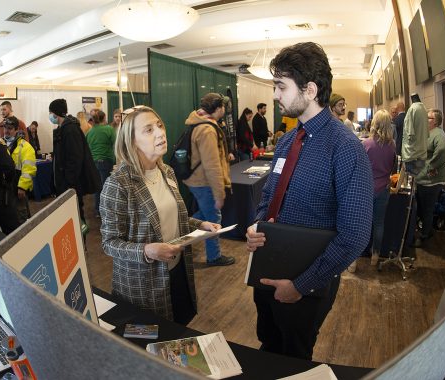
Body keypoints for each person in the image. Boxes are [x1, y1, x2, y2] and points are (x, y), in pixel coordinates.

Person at [245, 42, 373, 360]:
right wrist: (256, 225)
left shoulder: (345, 148)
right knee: (269, 343)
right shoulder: (288, 139)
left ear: (310, 89)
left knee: (294, 354)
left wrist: (301, 285)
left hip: (306, 282)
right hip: (267, 268)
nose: (275, 95)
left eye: (281, 86)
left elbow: (355, 235)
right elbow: (270, 195)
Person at [99, 105, 220, 323]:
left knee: (179, 330)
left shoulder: (167, 171)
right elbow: (109, 243)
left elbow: (171, 216)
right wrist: (147, 250)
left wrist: (199, 225)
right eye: (148, 130)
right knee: (152, 342)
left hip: (177, 271)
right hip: (143, 283)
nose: (160, 132)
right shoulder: (118, 183)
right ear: (131, 141)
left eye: (159, 125)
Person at [183, 93, 235, 266]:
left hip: (197, 181)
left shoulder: (200, 122)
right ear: (219, 108)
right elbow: (211, 166)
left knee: (202, 217)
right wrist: (219, 195)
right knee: (213, 220)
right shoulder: (207, 129)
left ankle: (178, 233)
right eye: (223, 108)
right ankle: (214, 257)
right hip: (204, 183)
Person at [49, 99, 101, 224]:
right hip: (65, 185)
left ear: (55, 113)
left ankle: (80, 242)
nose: (50, 116)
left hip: (70, 187)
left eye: (50, 112)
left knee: (76, 218)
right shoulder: (63, 129)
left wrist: (68, 184)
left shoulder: (70, 130)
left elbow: (75, 159)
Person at [362, 110, 396, 266]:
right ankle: (375, 255)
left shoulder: (366, 144)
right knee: (379, 223)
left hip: (366, 189)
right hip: (384, 188)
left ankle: (354, 259)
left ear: (374, 123)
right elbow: (392, 168)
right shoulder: (392, 145)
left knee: (362, 223)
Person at [413, 108, 445, 247]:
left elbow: (442, 150)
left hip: (431, 181)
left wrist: (431, 167)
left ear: (436, 121)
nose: (426, 120)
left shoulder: (439, 134)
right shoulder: (428, 132)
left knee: (427, 209)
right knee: (421, 207)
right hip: (422, 178)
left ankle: (424, 235)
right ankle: (425, 229)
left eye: (429, 118)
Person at [4, 116, 37, 224]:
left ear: (17, 130)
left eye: (10, 128)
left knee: (20, 217)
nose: (6, 131)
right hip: (6, 189)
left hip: (18, 189)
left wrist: (22, 187)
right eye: (5, 128)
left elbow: (29, 169)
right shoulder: (2, 144)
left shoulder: (25, 147)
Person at [86, 109, 116, 217]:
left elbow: (87, 147)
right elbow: (115, 143)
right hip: (106, 161)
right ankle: (106, 211)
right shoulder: (109, 129)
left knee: (97, 187)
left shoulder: (90, 132)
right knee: (106, 187)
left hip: (94, 162)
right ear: (104, 118)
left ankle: (98, 210)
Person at [402, 93, 428, 176]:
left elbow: (409, 133)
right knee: (419, 179)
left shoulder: (412, 109)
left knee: (411, 180)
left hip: (412, 155)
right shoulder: (424, 108)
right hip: (422, 152)